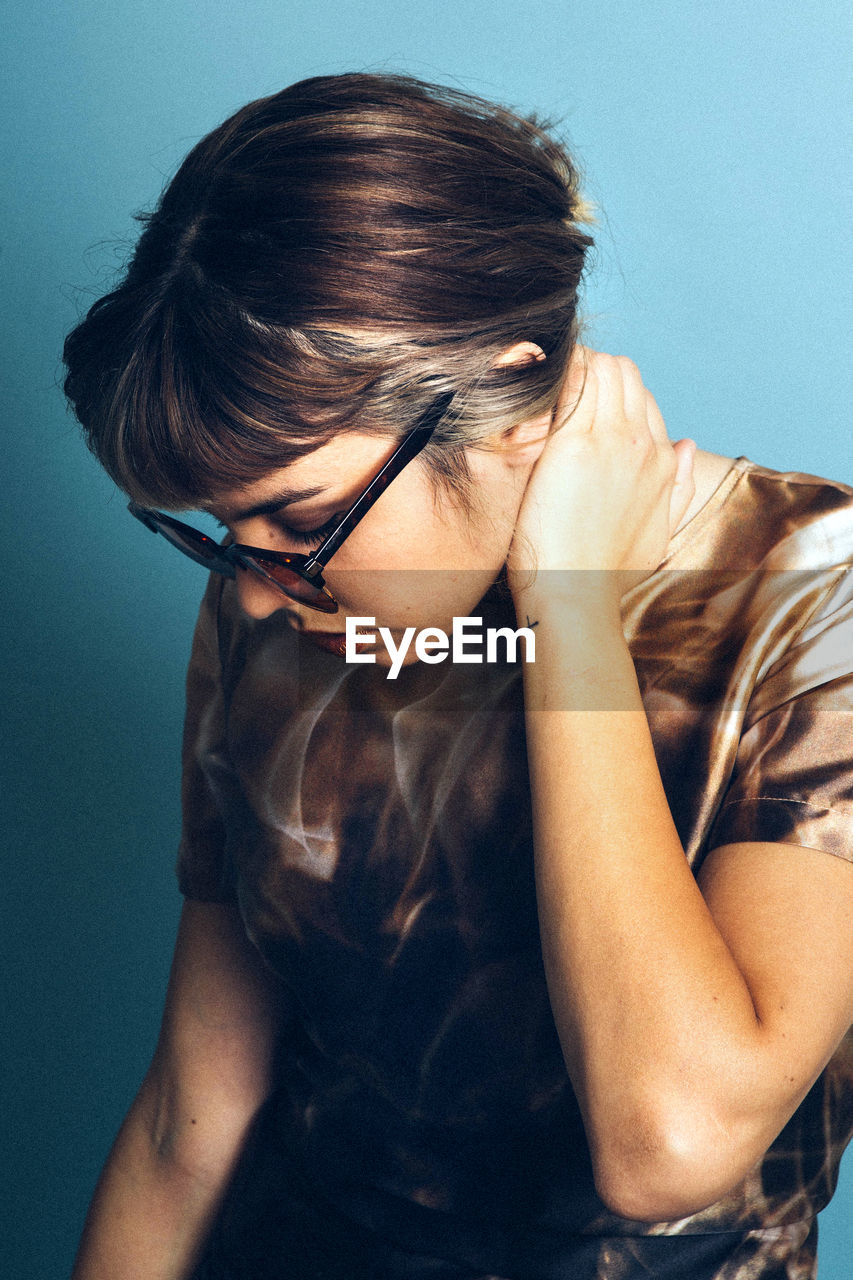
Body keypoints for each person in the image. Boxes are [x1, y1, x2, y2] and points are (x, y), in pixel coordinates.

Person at [63, 72, 853, 1280]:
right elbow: (189, 1117)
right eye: (222, 533)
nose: (256, 588)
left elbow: (672, 1145)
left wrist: (570, 610)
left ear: (508, 413)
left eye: (299, 518)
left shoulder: (817, 594)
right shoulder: (272, 607)